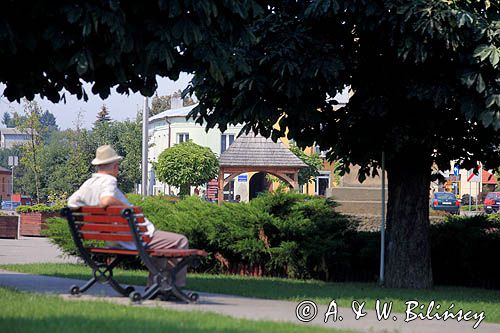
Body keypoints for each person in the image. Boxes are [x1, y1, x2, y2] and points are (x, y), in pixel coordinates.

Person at [67, 145, 189, 288]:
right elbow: (105, 200)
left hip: (112, 240)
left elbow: (71, 203)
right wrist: (128, 208)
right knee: (180, 241)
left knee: (161, 250)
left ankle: (156, 287)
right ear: (115, 166)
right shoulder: (108, 181)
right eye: (117, 165)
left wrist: (90, 213)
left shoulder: (88, 184)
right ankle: (174, 288)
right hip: (134, 238)